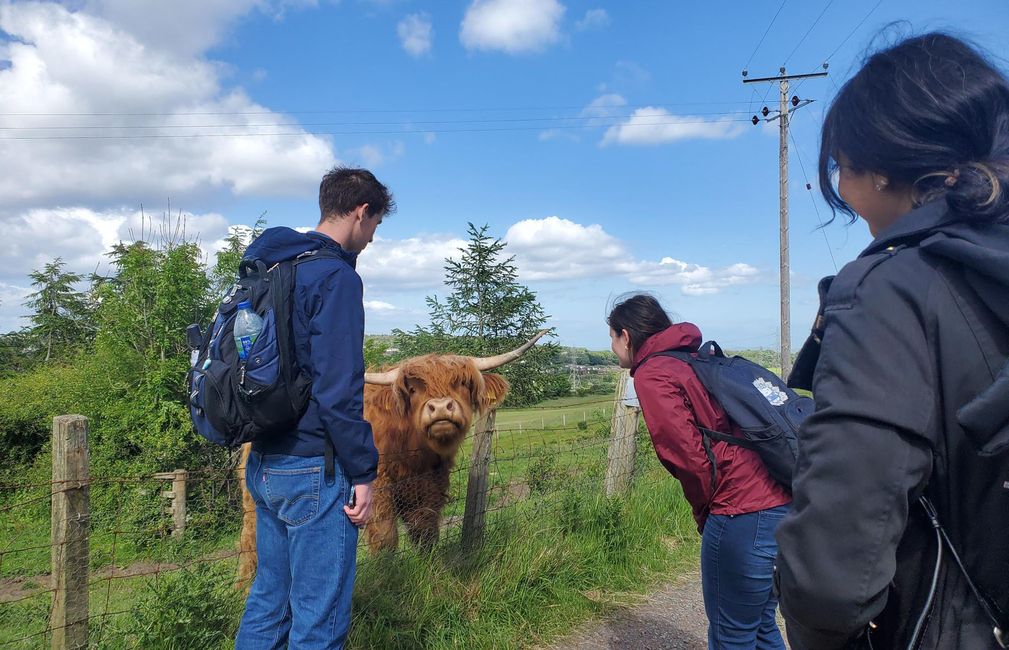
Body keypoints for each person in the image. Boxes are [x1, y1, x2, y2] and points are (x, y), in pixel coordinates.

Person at [774, 32, 1009, 650]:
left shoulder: (890, 289)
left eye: (840, 166)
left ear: (879, 170)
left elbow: (832, 568)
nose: (843, 189)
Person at [235, 167, 394, 649]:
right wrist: (363, 472)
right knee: (318, 618)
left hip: (263, 460)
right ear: (362, 212)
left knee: (268, 601)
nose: (369, 240)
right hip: (314, 469)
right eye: (375, 227)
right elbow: (338, 391)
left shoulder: (275, 268)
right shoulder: (336, 278)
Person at [607, 294, 792, 650]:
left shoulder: (653, 374)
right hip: (781, 503)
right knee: (761, 626)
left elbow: (686, 456)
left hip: (740, 511)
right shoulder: (693, 359)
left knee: (731, 636)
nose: (613, 348)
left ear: (625, 335)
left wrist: (705, 512)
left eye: (612, 338)